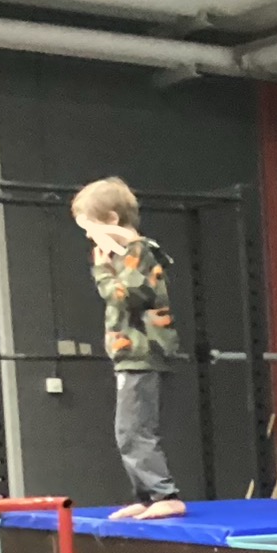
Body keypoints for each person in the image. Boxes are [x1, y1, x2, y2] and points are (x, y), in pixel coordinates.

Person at [70, 178, 184, 521]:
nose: (90, 238)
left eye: (91, 229)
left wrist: (103, 269)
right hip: (130, 354)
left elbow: (125, 295)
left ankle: (165, 494)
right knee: (127, 430)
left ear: (112, 220)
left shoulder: (138, 252)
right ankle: (147, 496)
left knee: (135, 429)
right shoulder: (126, 255)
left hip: (142, 353)